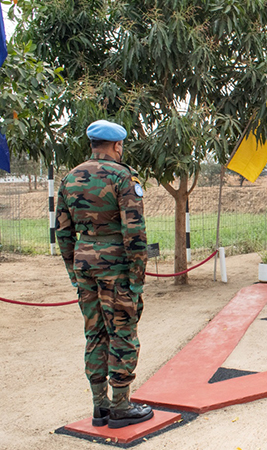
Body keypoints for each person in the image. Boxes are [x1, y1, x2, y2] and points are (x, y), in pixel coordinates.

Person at [55, 120, 153, 429]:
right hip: (116, 267)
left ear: (92, 145)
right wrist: (137, 278)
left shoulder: (69, 178)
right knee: (122, 331)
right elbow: (134, 233)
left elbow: (62, 231)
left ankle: (99, 407)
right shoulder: (123, 177)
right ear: (117, 146)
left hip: (84, 264)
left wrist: (74, 271)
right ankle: (121, 407)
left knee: (94, 332)